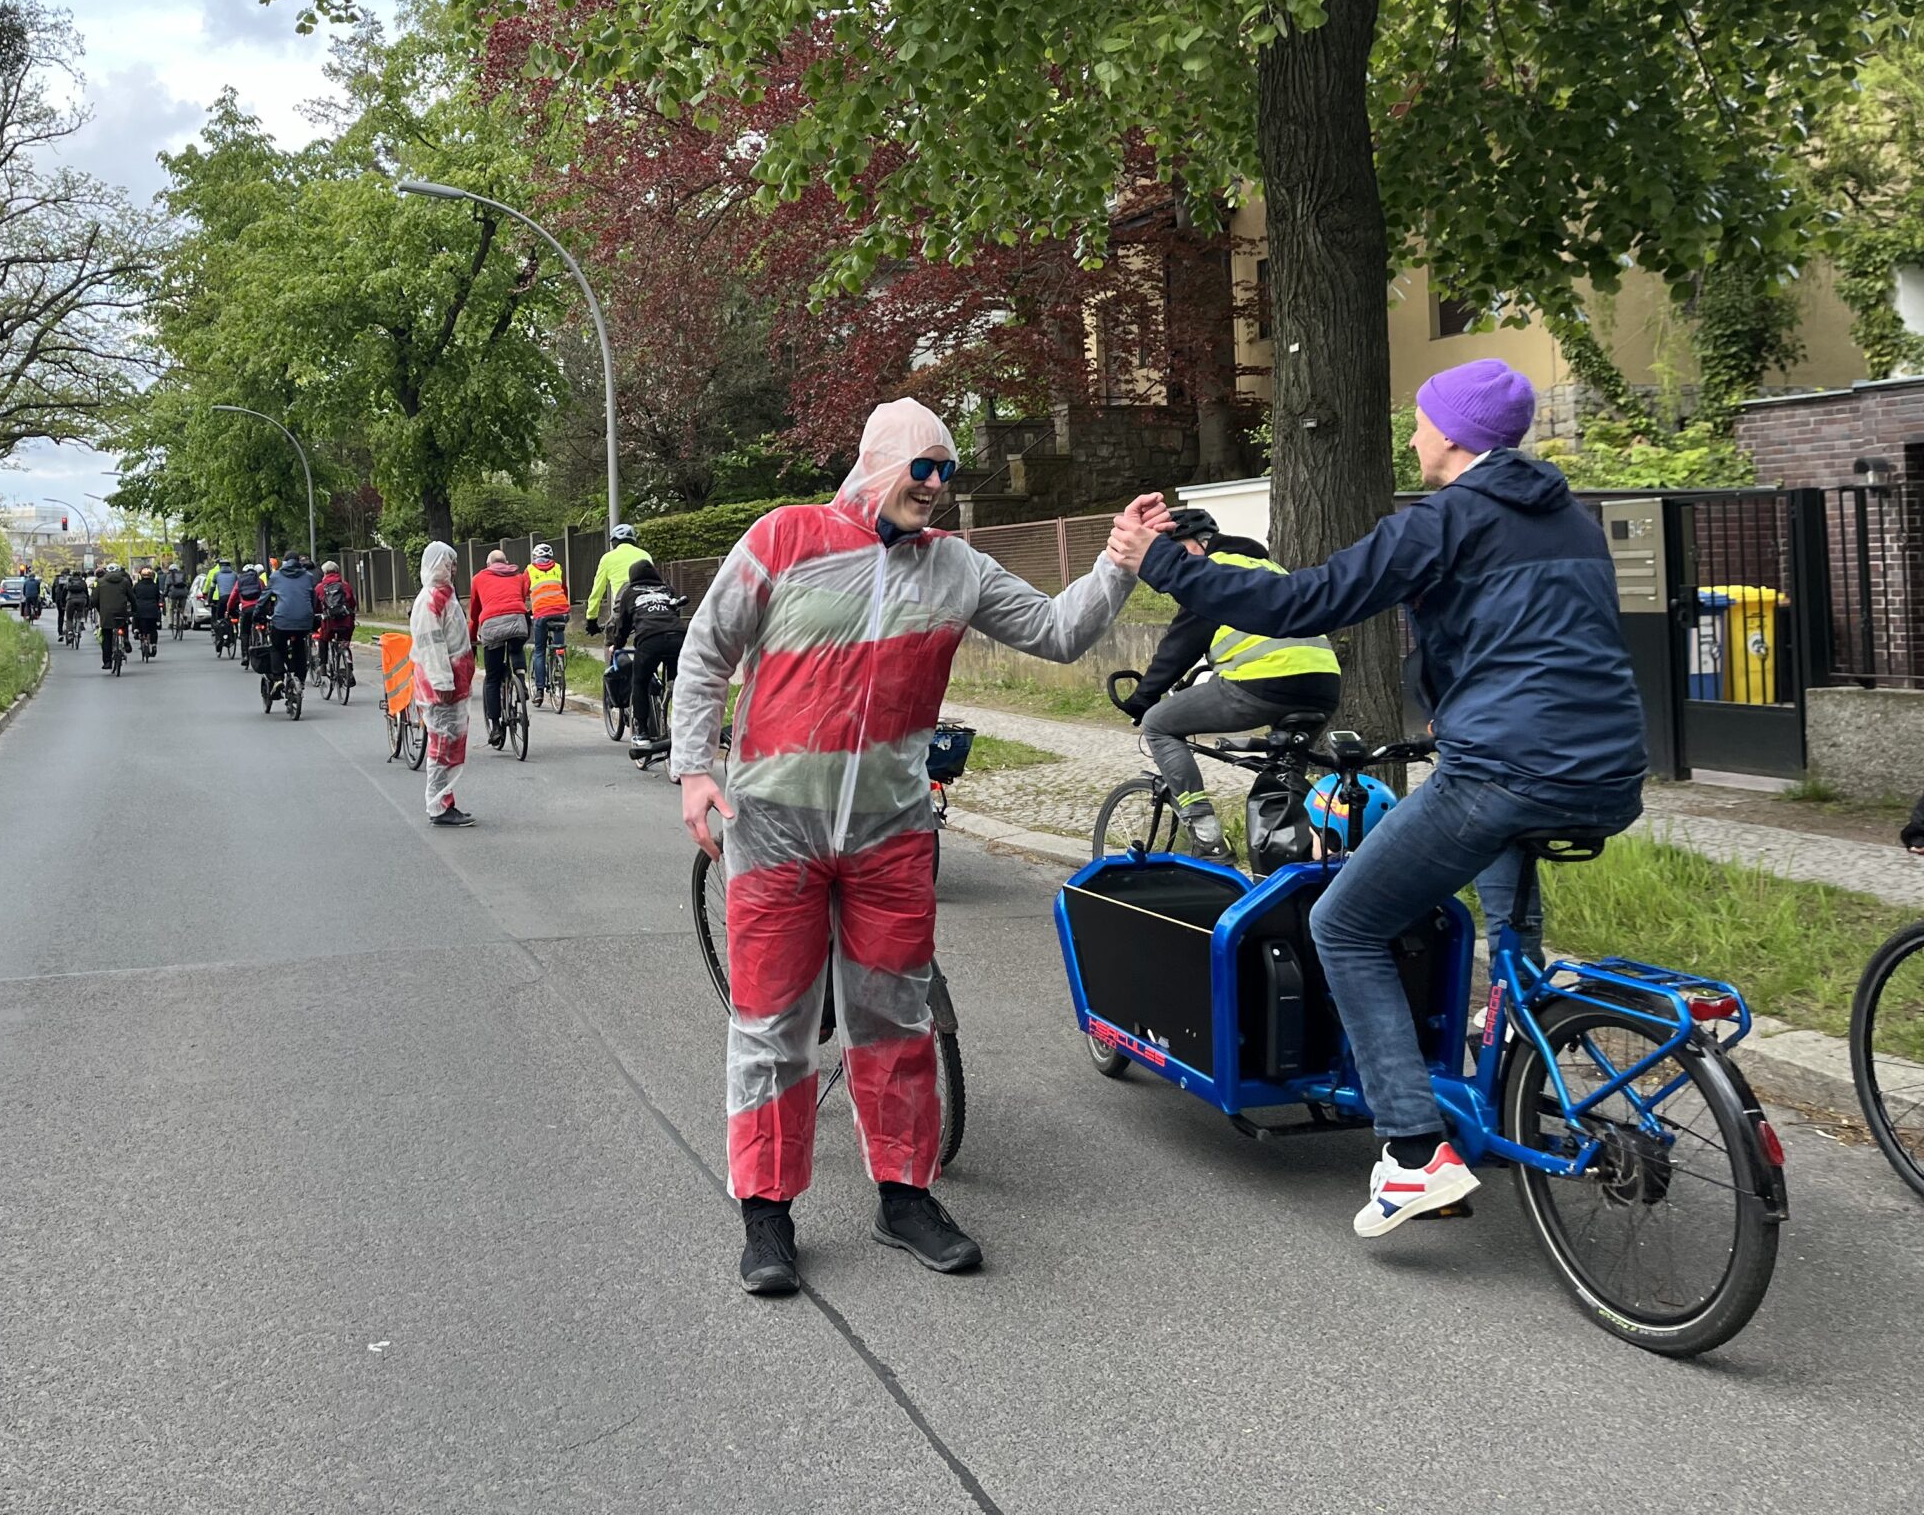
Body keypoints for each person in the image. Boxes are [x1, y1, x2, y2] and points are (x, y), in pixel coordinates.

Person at [1129, 358, 1648, 1239]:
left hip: (1501, 769)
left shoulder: (1448, 518)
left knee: (1344, 923)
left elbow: (1306, 600)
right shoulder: (1572, 518)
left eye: (1419, 420)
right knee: (1505, 900)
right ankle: (1518, 1063)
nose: (1411, 434)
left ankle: (1412, 1153)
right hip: (1608, 769)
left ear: (1452, 435)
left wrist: (1170, 568)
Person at [670, 397, 1147, 1297]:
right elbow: (705, 652)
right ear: (876, 464)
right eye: (920, 468)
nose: (935, 486)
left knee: (895, 1021)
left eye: (946, 472)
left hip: (890, 835)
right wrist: (694, 767)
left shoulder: (955, 569)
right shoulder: (786, 538)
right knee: (772, 1025)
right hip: (776, 830)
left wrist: (1119, 561)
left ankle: (905, 1196)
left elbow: (1057, 631)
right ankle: (767, 1215)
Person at [1122, 506, 1342, 860]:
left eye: (1177, 550)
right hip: (1322, 685)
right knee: (1280, 787)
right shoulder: (1268, 567)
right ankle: (1289, 861)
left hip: (1264, 682)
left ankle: (1208, 839)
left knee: (1158, 724)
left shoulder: (1211, 571)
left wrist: (1144, 696)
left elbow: (1182, 642)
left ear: (1197, 543)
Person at [411, 542, 476, 826]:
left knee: (450, 746)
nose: (452, 568)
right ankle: (438, 806)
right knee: (441, 747)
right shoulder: (431, 600)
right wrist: (442, 683)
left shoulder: (445, 596)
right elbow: (432, 647)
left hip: (453, 683)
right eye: (448, 562)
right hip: (441, 688)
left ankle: (446, 801)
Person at [606, 558, 688, 757]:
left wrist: (616, 646)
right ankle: (685, 727)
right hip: (679, 638)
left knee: (639, 682)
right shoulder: (667, 590)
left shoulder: (629, 593)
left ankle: (641, 732)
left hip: (650, 640)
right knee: (680, 683)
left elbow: (622, 626)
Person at [467, 548, 534, 747]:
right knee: (515, 649)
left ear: (488, 565)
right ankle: (521, 681)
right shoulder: (518, 576)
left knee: (493, 678)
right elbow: (520, 600)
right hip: (518, 621)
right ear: (506, 562)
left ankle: (495, 726)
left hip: (492, 625)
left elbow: (474, 612)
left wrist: (472, 639)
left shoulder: (478, 579)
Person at [258, 552, 319, 706]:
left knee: (276, 647)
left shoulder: (276, 577)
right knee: (299, 647)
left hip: (282, 620)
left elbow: (264, 598)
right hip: (304, 621)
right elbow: (313, 599)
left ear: (284, 562)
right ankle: (300, 678)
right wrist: (311, 615)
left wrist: (257, 614)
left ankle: (278, 678)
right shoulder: (308, 576)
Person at [585, 523, 652, 635]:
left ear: (614, 541)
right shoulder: (645, 555)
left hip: (623, 607)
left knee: (611, 640)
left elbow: (597, 592)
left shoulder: (607, 558)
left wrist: (591, 619)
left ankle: (612, 649)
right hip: (648, 607)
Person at [526, 542, 572, 697]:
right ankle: (559, 665)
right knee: (559, 645)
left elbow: (522, 592)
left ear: (535, 557)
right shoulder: (558, 568)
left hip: (541, 614)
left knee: (540, 650)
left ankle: (539, 689)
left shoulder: (530, 570)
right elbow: (564, 589)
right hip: (561, 612)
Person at [314, 559, 357, 674]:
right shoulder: (345, 585)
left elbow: (316, 606)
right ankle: (349, 670)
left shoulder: (320, 587)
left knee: (322, 639)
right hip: (345, 622)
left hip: (329, 623)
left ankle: (323, 666)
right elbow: (352, 603)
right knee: (344, 643)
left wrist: (318, 615)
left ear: (324, 573)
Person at [93, 561, 133, 673]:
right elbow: (131, 597)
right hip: (121, 611)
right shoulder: (125, 581)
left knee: (107, 636)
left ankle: (107, 662)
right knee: (123, 624)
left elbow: (94, 600)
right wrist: (134, 609)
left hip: (106, 613)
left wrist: (99, 609)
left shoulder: (100, 582)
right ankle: (125, 639)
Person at [132, 559, 164, 660]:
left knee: (136, 618)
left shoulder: (137, 586)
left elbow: (133, 597)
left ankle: (136, 630)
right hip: (152, 610)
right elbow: (158, 597)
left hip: (140, 609)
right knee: (153, 628)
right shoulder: (155, 586)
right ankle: (153, 645)